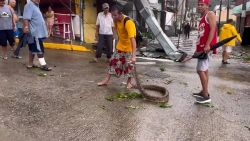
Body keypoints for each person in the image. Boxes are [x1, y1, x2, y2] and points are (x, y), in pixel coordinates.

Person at [97, 5, 137, 89]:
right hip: (120, 47)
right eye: (112, 15)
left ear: (120, 14)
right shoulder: (116, 20)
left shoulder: (128, 22)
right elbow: (116, 32)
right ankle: (106, 80)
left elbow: (133, 40)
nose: (113, 17)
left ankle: (129, 82)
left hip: (129, 48)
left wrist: (134, 56)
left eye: (115, 15)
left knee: (129, 66)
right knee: (112, 62)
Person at [192, 0, 217, 104]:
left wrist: (207, 44)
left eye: (202, 5)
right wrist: (197, 48)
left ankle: (206, 95)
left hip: (206, 48)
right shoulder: (202, 17)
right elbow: (201, 34)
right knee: (205, 70)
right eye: (198, 4)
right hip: (201, 47)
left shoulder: (210, 14)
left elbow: (213, 29)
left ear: (207, 6)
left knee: (200, 70)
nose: (199, 6)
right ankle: (203, 91)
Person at [23, 0, 52, 71]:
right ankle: (43, 65)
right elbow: (26, 18)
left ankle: (30, 64)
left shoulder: (36, 6)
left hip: (35, 33)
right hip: (34, 33)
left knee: (32, 49)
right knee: (39, 49)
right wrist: (26, 27)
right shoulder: (29, 5)